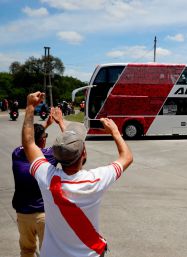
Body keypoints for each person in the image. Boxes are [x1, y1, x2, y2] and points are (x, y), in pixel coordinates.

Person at [21, 91, 133, 257]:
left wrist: (30, 107)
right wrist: (115, 132)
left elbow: (29, 142)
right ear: (84, 154)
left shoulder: (47, 177)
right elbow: (127, 157)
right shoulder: (96, 179)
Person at [12, 107, 65, 257]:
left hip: (22, 214)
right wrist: (60, 122)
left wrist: (44, 127)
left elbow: (29, 142)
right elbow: (69, 145)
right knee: (48, 252)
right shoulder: (49, 155)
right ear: (42, 140)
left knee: (26, 251)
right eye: (45, 136)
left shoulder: (16, 153)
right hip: (43, 214)